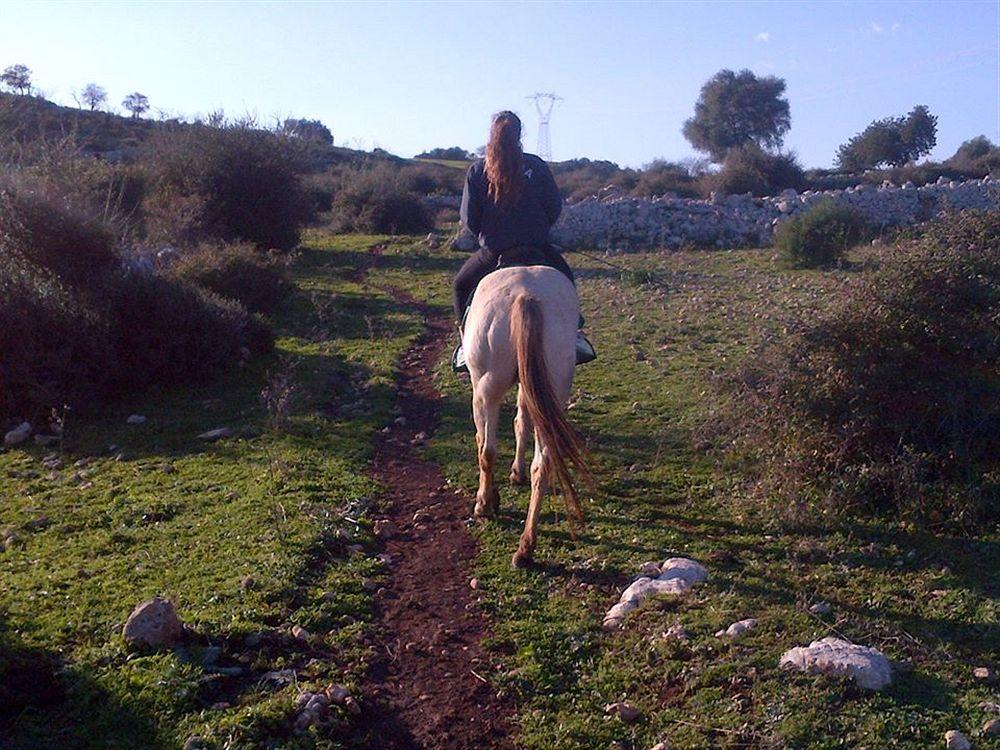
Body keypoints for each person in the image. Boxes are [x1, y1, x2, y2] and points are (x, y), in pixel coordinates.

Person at [452, 110, 594, 371]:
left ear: (492, 134)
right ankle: (575, 338)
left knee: (461, 286)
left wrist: (488, 232)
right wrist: (538, 228)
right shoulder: (537, 166)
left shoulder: (478, 170)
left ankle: (464, 347)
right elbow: (553, 206)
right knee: (566, 280)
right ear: (519, 135)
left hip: (495, 252)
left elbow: (469, 218)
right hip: (537, 248)